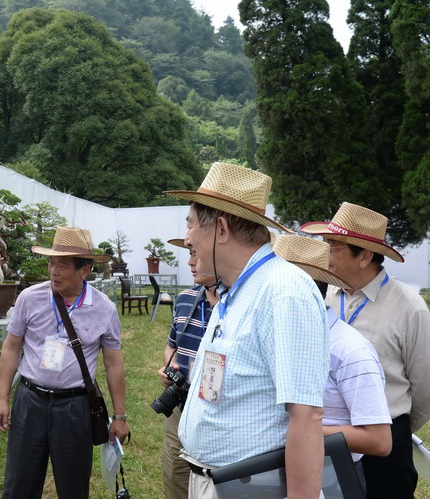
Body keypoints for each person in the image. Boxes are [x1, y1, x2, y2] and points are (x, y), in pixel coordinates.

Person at [164, 162, 328, 499]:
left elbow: (306, 416)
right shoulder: (235, 290)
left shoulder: (283, 292)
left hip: (248, 487)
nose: (187, 239)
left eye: (191, 226)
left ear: (221, 229)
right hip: (217, 482)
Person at [300, 202, 430, 498]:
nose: (324, 253)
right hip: (329, 434)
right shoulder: (326, 295)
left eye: (333, 246)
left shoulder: (409, 308)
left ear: (365, 255)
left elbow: (425, 387)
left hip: (383, 441)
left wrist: (393, 427)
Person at [0, 226, 130, 499]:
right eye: (51, 263)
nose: (53, 271)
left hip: (74, 407)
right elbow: (11, 347)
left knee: (73, 487)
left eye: (62, 265)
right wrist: (2, 398)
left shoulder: (103, 308)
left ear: (85, 270)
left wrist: (120, 416)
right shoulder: (30, 298)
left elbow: (114, 364)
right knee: (19, 485)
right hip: (29, 402)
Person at [272, 234, 392, 494]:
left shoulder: (350, 351)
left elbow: (379, 440)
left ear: (295, 292)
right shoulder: (278, 337)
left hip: (332, 479)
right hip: (274, 472)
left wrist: (301, 434)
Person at [157, 238, 219, 499]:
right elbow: (172, 345)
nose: (190, 261)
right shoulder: (184, 299)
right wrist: (170, 366)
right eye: (189, 253)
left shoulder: (237, 305)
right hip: (181, 409)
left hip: (217, 414)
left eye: (196, 253)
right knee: (176, 479)